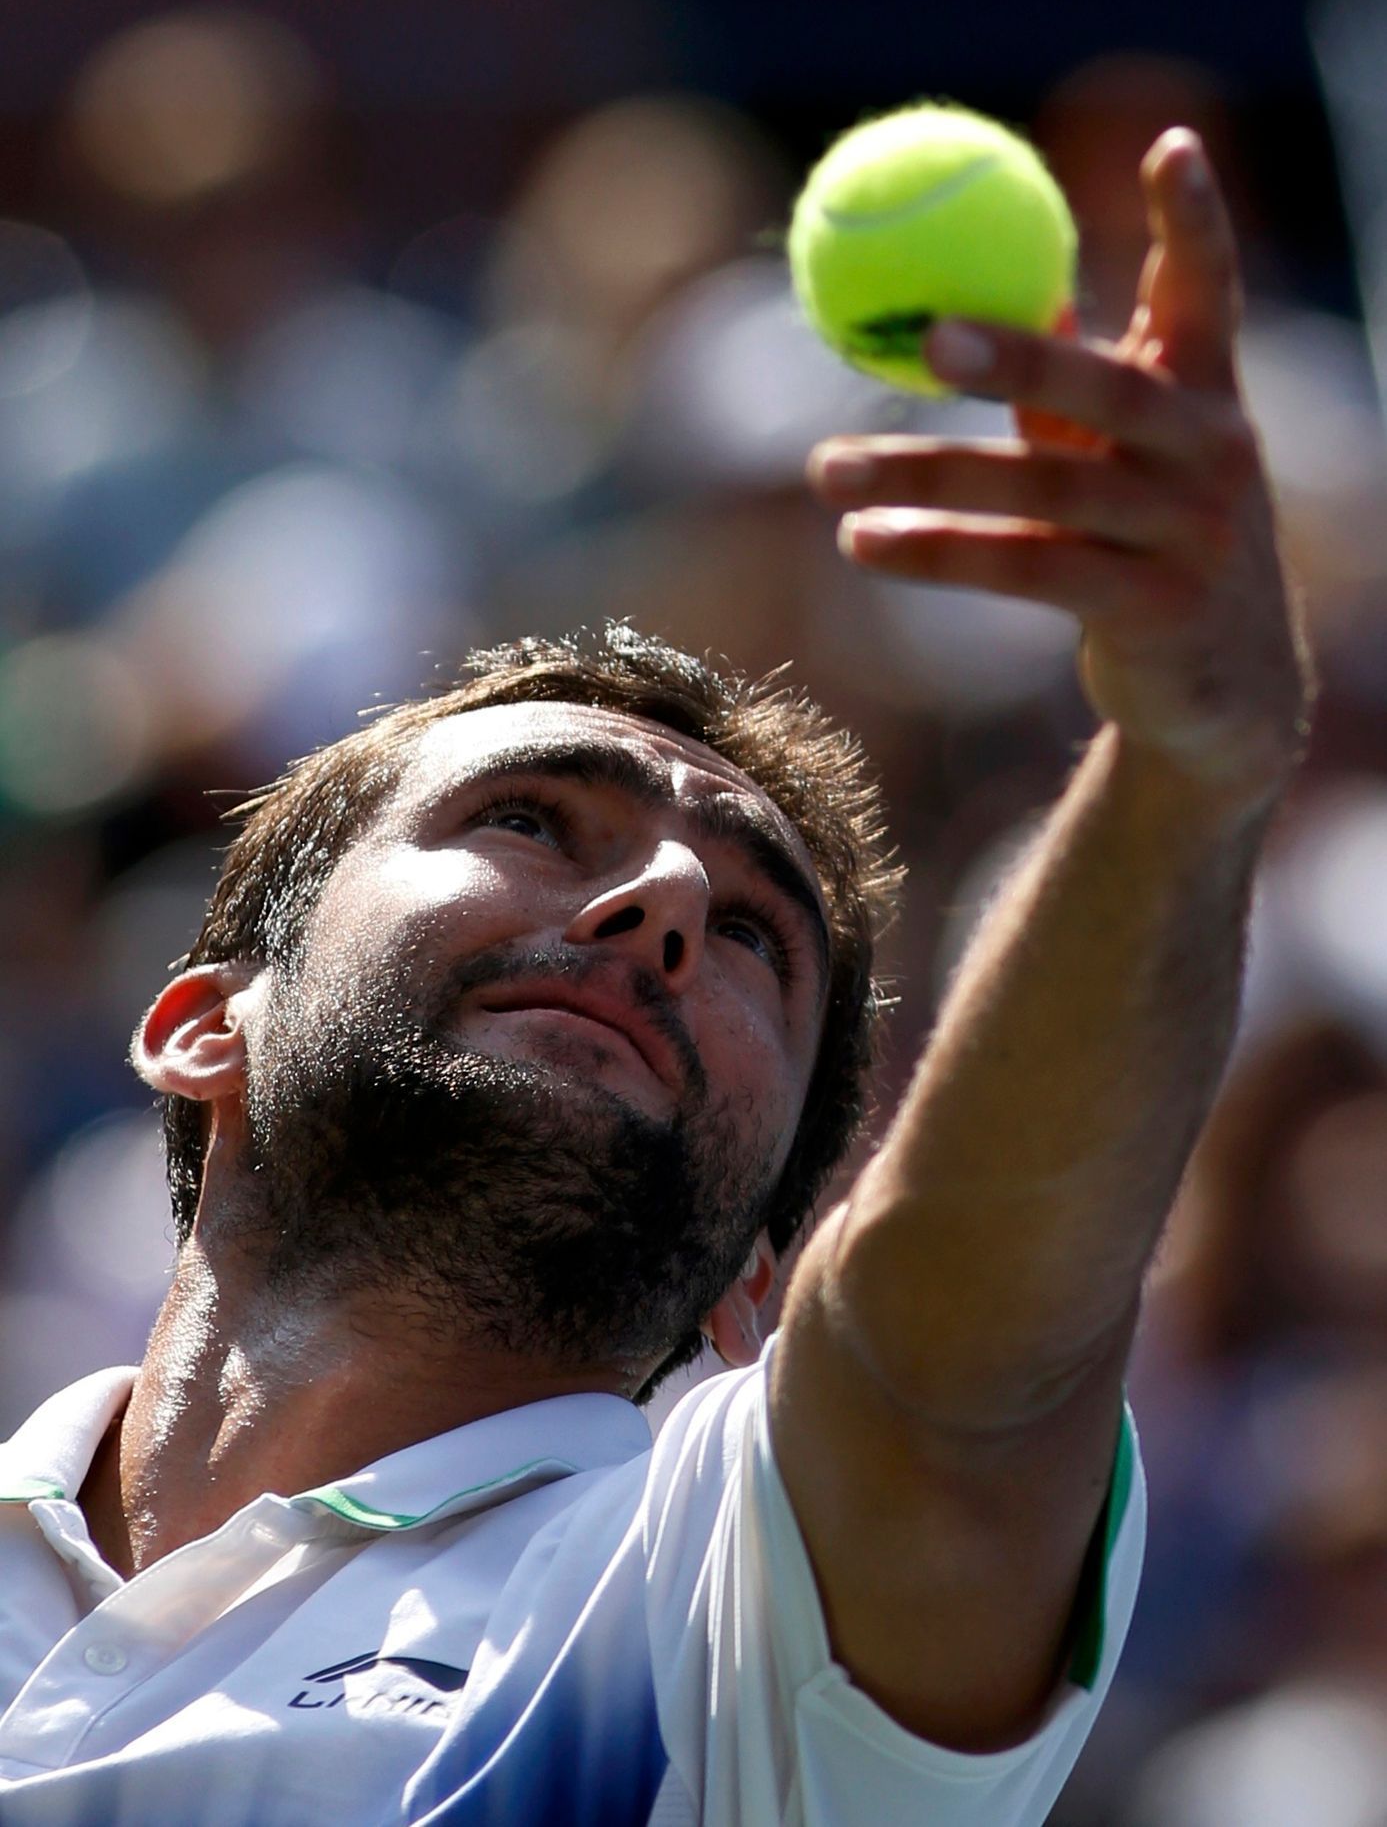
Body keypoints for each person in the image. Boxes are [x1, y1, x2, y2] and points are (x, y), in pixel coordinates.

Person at [0, 129, 1307, 1826]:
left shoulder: (717, 1621)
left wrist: (1180, 776)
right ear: (202, 1022)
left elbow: (956, 1388)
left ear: (760, 1275)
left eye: (756, 935)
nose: (667, 897)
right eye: (530, 819)